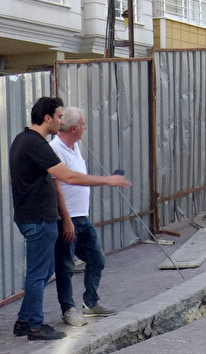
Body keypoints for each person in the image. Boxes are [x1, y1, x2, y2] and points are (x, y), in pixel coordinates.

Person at [9, 97, 130, 341]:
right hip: (39, 219)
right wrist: (108, 180)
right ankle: (34, 326)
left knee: (42, 273)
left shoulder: (22, 140)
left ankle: (24, 321)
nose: (61, 121)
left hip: (32, 217)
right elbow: (68, 178)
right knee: (38, 274)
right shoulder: (38, 144)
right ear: (47, 118)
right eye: (59, 116)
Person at [50, 107, 117, 327]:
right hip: (67, 218)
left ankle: (90, 303)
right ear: (74, 128)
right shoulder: (55, 149)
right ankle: (68, 309)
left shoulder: (75, 146)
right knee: (66, 266)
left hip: (82, 217)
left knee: (97, 258)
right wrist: (66, 218)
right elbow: (57, 187)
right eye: (84, 123)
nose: (86, 127)